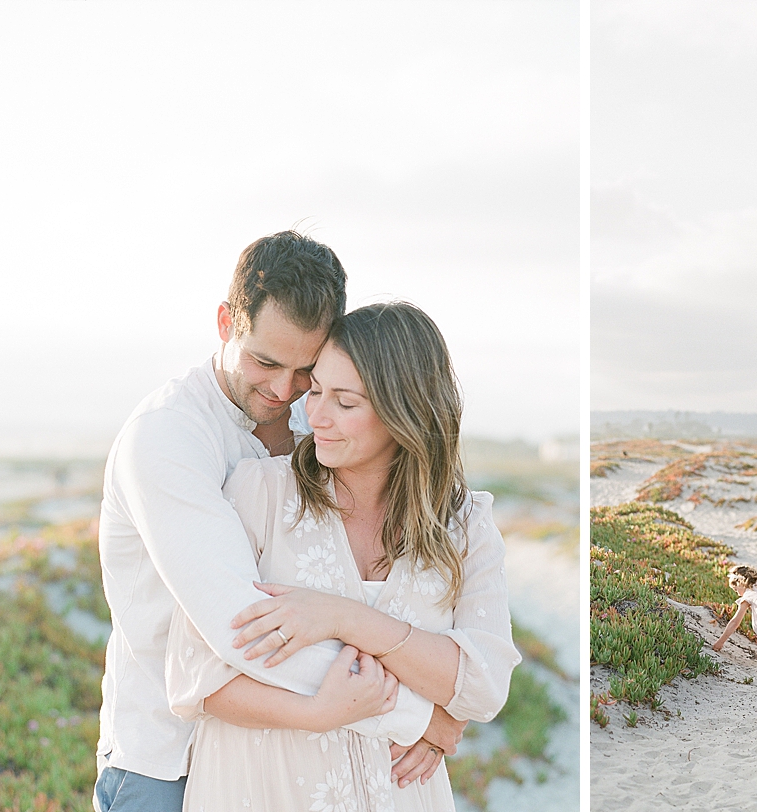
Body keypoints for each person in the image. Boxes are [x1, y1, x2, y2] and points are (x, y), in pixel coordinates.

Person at [94, 233, 458, 812]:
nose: (284, 391)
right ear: (224, 322)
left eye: (305, 370)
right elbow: (244, 624)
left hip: (283, 767)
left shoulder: (317, 426)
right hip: (164, 763)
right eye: (264, 362)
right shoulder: (167, 437)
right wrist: (418, 715)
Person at [165, 302, 519, 811]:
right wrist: (331, 711)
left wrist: (343, 617)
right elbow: (196, 679)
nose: (315, 416)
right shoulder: (261, 495)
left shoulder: (463, 525)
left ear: (406, 411)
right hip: (265, 792)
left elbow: (483, 686)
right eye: (315, 392)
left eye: (344, 402)